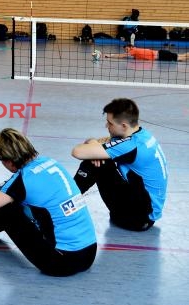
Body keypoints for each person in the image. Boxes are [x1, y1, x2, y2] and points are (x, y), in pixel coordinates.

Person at [0, 128, 97, 276]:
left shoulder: (23, 180)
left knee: (7, 211)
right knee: (20, 204)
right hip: (89, 254)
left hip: (62, 261)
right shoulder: (51, 162)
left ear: (9, 161)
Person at [71, 98, 168, 231]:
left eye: (109, 123)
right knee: (99, 156)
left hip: (138, 218)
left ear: (123, 126)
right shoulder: (141, 135)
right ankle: (67, 201)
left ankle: (63, 203)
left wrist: (94, 146)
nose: (106, 126)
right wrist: (93, 143)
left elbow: (77, 151)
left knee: (92, 163)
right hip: (145, 210)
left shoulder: (131, 146)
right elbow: (98, 143)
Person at [103, 44, 189, 61]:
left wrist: (110, 55)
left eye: (127, 49)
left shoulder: (133, 50)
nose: (126, 51)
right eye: (125, 49)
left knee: (179, 58)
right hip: (161, 54)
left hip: (161, 55)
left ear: (131, 47)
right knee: (180, 56)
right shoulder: (134, 51)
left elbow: (122, 56)